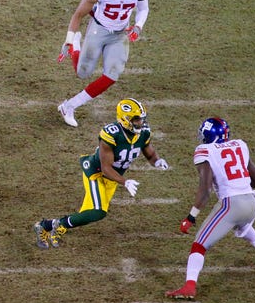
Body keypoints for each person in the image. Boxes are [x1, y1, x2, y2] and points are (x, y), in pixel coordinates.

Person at [166, 118, 255, 300]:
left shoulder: (204, 150)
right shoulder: (240, 145)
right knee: (236, 221)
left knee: (199, 245)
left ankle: (189, 286)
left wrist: (190, 217)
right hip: (252, 203)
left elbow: (205, 191)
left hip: (231, 204)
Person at [33, 98, 168, 249]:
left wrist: (156, 161)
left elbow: (148, 151)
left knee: (86, 214)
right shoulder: (111, 134)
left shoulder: (143, 133)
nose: (140, 123)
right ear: (125, 119)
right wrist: (125, 182)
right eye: (136, 119)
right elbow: (106, 168)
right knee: (98, 212)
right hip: (96, 173)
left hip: (112, 178)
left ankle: (45, 226)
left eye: (142, 119)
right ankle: (55, 225)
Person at [57, 0, 149, 127]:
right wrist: (69, 41)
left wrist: (138, 26)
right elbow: (78, 14)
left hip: (120, 32)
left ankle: (69, 106)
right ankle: (77, 44)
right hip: (98, 29)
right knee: (82, 73)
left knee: (112, 75)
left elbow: (143, 7)